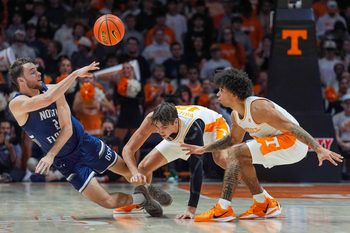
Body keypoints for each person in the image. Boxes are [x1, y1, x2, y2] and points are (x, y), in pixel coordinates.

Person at [181, 68, 343, 222]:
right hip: (277, 143)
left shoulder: (258, 107)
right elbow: (232, 140)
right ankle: (263, 203)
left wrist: (318, 148)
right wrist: (205, 149)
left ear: (234, 92)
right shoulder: (236, 115)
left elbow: (292, 128)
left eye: (221, 90)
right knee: (239, 157)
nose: (218, 94)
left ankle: (223, 208)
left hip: (293, 142)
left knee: (237, 153)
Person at [8, 58, 163, 217]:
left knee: (128, 171)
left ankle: (149, 191)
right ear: (21, 80)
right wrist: (75, 74)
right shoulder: (17, 103)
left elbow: (67, 128)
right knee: (106, 201)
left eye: (37, 69)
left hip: (85, 143)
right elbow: (46, 100)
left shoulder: (54, 89)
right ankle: (141, 199)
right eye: (32, 72)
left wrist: (50, 154)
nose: (39, 73)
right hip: (66, 161)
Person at [118, 102, 230, 219]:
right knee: (143, 168)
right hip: (176, 134)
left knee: (221, 159)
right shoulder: (153, 120)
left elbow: (196, 170)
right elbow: (128, 149)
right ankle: (143, 200)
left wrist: (191, 210)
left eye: (164, 127)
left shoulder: (192, 128)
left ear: (175, 122)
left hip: (213, 127)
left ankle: (250, 191)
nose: (160, 131)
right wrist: (135, 173)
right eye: (157, 127)